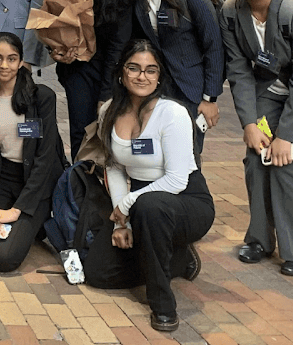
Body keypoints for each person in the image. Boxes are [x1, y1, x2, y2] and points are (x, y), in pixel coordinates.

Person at [84, 39, 213, 333]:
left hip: (185, 200)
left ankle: (163, 305)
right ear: (121, 72)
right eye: (134, 68)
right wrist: (122, 223)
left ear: (159, 76)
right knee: (98, 272)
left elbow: (177, 179)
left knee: (150, 207)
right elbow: (114, 167)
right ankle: (176, 259)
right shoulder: (108, 111)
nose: (142, 76)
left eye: (151, 70)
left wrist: (127, 205)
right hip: (141, 202)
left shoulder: (172, 113)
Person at [221, 0, 293, 276]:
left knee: (286, 164)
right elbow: (238, 71)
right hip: (267, 96)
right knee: (256, 160)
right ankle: (260, 239)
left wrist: (286, 135)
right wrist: (249, 123)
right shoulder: (231, 12)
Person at [0, 32, 66, 273]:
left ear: (21, 61)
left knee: (4, 259)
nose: (4, 65)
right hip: (3, 180)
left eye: (11, 59)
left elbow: (45, 159)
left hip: (35, 186)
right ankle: (22, 226)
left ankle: (35, 223)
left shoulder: (42, 97)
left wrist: (15, 212)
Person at [128, 0, 224, 154]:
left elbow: (214, 46)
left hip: (189, 91)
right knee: (151, 155)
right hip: (152, 88)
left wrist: (210, 99)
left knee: (186, 157)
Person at [44, 0, 132, 159]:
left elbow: (118, 45)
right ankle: (81, 179)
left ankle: (111, 179)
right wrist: (55, 50)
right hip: (77, 70)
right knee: (81, 132)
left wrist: (106, 93)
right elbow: (52, 31)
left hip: (113, 67)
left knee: (111, 131)